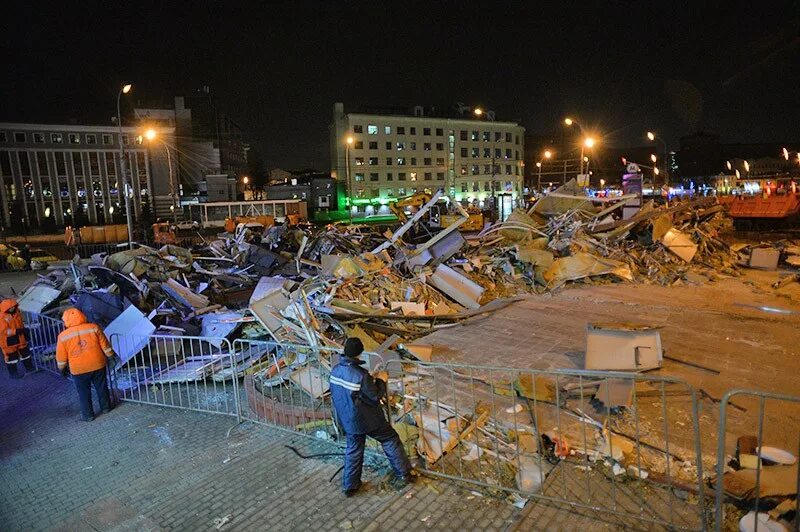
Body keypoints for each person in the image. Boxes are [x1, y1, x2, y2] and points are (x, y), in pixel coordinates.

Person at [329, 337, 415, 497]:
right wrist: (381, 380)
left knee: (353, 449)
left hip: (348, 420)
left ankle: (350, 486)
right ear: (359, 354)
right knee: (390, 439)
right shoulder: (361, 375)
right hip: (368, 419)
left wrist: (371, 378)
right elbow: (374, 396)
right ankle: (404, 472)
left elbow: (348, 393)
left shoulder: (335, 371)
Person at [56, 308, 119, 421]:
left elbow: (61, 357)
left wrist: (62, 369)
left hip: (78, 369)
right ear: (82, 316)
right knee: (101, 388)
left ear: (66, 320)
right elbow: (105, 345)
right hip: (97, 364)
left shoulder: (63, 336)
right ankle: (106, 408)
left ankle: (88, 415)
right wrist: (110, 356)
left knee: (83, 393)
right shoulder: (93, 327)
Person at [0, 299, 33, 379]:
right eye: (11, 307)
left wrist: (24, 332)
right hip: (8, 341)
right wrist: (18, 331)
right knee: (11, 358)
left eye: (14, 306)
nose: (13, 308)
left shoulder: (17, 313)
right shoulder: (2, 317)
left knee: (25, 354)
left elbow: (20, 324)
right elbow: (4, 331)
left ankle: (30, 369)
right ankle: (13, 374)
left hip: (20, 338)